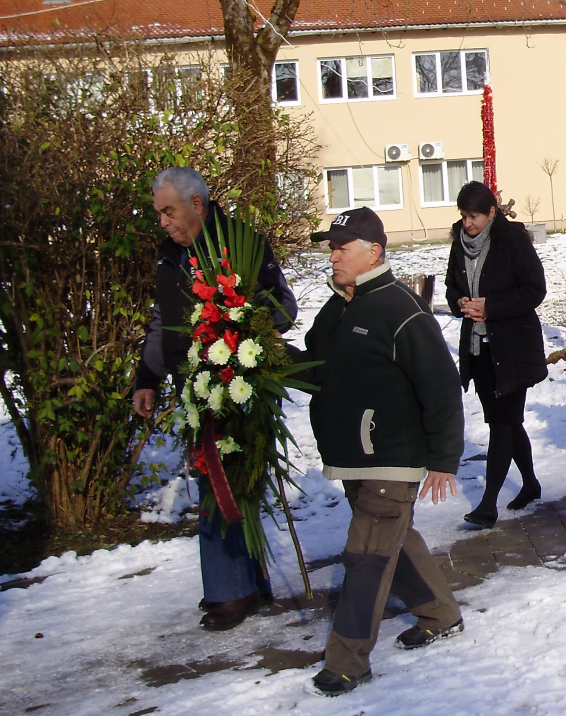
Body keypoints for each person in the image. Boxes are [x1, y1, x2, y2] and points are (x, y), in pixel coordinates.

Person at [295, 207, 465, 696]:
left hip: (392, 457)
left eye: (341, 248)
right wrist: (261, 358)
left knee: (366, 555)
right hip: (353, 456)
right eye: (330, 248)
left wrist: (443, 459)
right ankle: (439, 612)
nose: (333, 257)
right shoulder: (339, 308)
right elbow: (319, 369)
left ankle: (347, 661)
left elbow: (441, 387)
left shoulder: (401, 310)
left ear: (373, 252)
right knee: (394, 539)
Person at [132, 167, 296, 632]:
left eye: (169, 211)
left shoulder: (241, 243)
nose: (163, 222)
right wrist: (147, 376)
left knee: (232, 480)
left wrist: (240, 325)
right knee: (214, 478)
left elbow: (283, 304)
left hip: (243, 381)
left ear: (197, 205)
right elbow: (162, 321)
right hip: (197, 387)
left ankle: (235, 588)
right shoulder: (169, 257)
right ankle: (240, 584)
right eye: (159, 213)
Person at [446, 182, 549, 528]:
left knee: (501, 425)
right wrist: (460, 302)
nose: (467, 224)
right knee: (507, 421)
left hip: (512, 349)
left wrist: (492, 307)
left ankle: (488, 504)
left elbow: (535, 290)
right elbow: (451, 287)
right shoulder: (459, 244)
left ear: (492, 212)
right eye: (463, 216)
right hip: (478, 351)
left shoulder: (512, 240)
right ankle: (531, 484)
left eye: (473, 216)